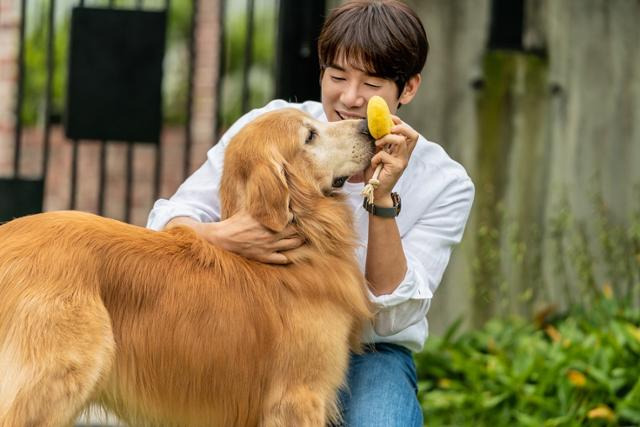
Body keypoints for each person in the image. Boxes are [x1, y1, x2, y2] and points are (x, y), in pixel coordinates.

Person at [147, 1, 474, 425]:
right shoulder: (273, 126)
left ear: (408, 88)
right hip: (257, 331)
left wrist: (381, 197)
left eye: (372, 83)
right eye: (337, 77)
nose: (350, 98)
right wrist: (222, 236)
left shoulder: (445, 182)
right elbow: (173, 216)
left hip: (369, 353)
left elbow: (393, 317)